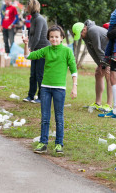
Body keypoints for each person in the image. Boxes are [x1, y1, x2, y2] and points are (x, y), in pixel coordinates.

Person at [23, 25, 77, 154]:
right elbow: (28, 56)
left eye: (56, 37)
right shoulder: (46, 50)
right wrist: (26, 44)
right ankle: (43, 143)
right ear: (48, 38)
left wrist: (74, 86)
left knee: (59, 117)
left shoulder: (67, 51)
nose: (54, 39)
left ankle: (59, 144)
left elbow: (74, 69)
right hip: (45, 88)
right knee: (45, 117)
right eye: (51, 37)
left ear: (62, 38)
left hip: (59, 89)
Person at [72, 20, 112, 112]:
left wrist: (105, 64)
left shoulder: (92, 30)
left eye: (80, 34)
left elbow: (98, 49)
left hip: (112, 53)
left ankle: (109, 105)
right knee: (98, 73)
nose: (81, 37)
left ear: (84, 29)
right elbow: (92, 52)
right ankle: (98, 103)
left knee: (109, 75)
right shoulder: (86, 36)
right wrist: (100, 65)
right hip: (105, 54)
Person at [22, 0, 50, 104]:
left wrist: (31, 49)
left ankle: (41, 97)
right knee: (33, 74)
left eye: (27, 5)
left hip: (42, 49)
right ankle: (30, 95)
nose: (26, 7)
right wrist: (28, 44)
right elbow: (32, 35)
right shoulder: (33, 19)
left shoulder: (39, 19)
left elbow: (38, 37)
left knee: (39, 74)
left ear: (32, 7)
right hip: (35, 49)